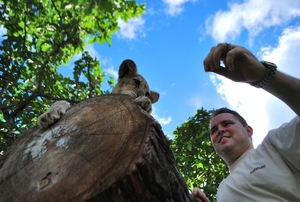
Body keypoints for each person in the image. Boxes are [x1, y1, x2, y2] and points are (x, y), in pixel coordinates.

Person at [192, 43, 300, 202]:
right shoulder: (222, 189)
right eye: (214, 130)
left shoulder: (273, 145)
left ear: (248, 131)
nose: (220, 130)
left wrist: (263, 75)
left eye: (227, 123)